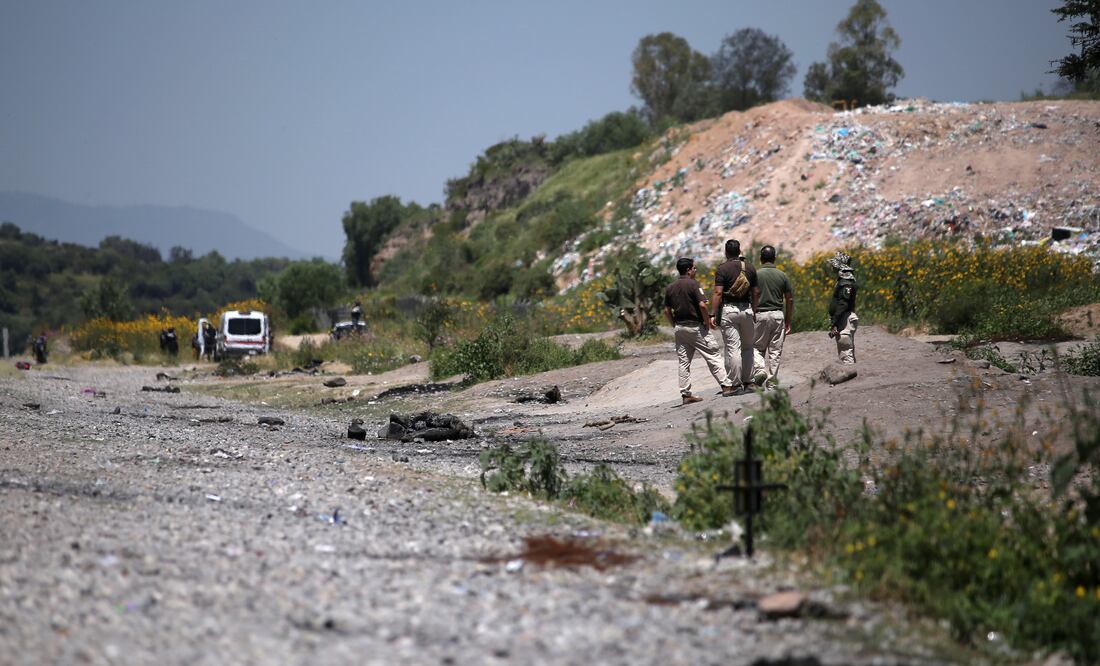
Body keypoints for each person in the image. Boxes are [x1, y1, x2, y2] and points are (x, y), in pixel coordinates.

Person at [664, 257, 735, 405]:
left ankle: (685, 394)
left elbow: (666, 310)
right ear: (689, 270)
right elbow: (702, 305)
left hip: (680, 328)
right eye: (694, 268)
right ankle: (727, 385)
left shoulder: (670, 287)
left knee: (684, 362)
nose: (695, 270)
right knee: (713, 354)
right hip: (695, 327)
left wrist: (674, 325)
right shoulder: (693, 284)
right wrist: (706, 321)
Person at [711, 239, 759, 394]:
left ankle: (735, 385)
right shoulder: (750, 268)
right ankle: (749, 383)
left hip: (729, 310)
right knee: (747, 347)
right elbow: (756, 292)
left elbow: (718, 292)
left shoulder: (722, 269)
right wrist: (755, 310)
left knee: (733, 348)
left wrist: (712, 313)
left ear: (726, 252)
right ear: (740, 251)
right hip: (747, 310)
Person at [751, 245, 793, 389]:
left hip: (760, 315)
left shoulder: (755, 275)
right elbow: (790, 299)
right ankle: (771, 383)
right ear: (774, 258)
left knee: (756, 347)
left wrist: (753, 312)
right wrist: (788, 321)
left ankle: (760, 370)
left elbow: (753, 294)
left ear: (761, 259)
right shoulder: (782, 275)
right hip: (777, 315)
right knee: (775, 351)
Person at [827, 251, 859, 364]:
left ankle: (851, 380)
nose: (832, 267)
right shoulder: (846, 281)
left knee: (846, 356)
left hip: (844, 320)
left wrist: (835, 322)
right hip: (844, 318)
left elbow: (843, 304)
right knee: (847, 352)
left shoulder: (845, 283)